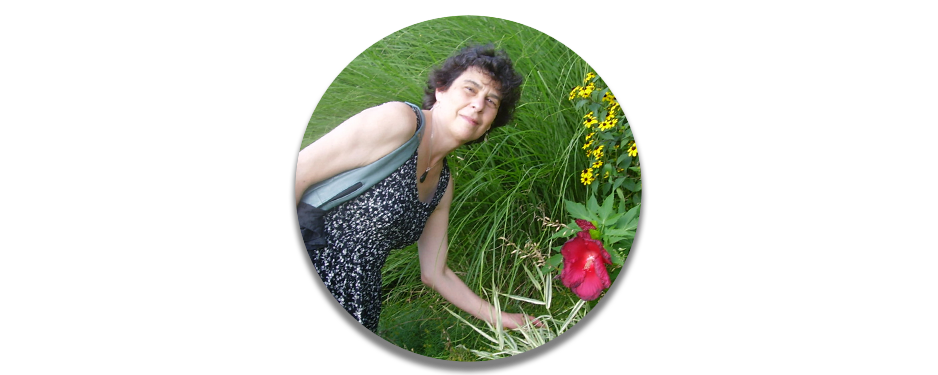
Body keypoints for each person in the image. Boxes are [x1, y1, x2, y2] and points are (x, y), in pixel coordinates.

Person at [294, 44, 541, 333]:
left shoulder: (442, 186)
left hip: (359, 303)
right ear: (441, 89)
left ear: (490, 123)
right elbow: (299, 172)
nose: (478, 104)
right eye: (470, 90)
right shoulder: (399, 122)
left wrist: (502, 318)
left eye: (492, 101)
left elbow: (436, 273)